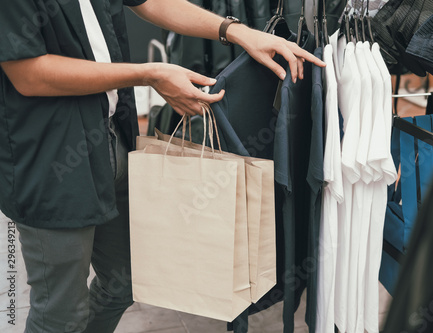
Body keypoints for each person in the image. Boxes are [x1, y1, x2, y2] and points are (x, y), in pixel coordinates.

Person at [0, 0, 324, 332]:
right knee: (60, 313)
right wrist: (148, 74)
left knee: (123, 284)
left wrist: (237, 31)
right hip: (52, 157)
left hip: (114, 137)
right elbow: (28, 73)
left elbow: (150, 1)